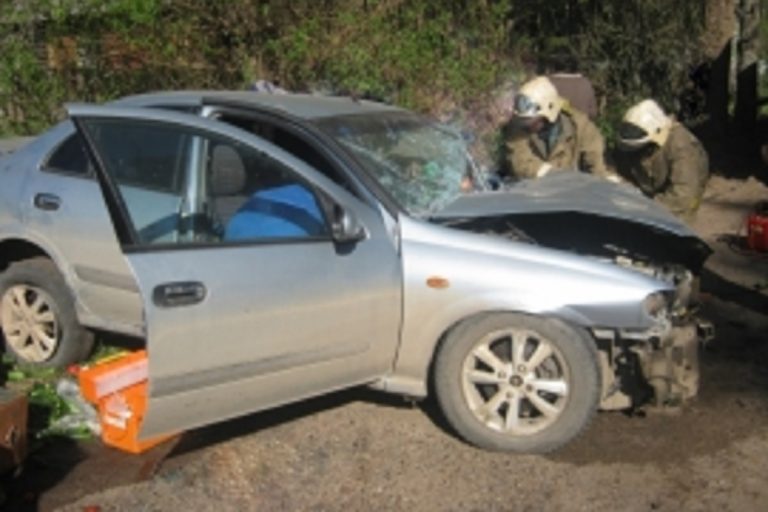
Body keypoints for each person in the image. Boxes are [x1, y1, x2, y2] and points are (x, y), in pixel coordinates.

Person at [615, 99, 709, 222]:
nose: (635, 152)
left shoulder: (683, 148)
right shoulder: (631, 145)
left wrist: (643, 208)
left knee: (676, 227)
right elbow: (620, 170)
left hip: (682, 198)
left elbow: (683, 195)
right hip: (650, 190)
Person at [505, 76, 611, 180]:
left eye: (533, 121)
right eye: (524, 120)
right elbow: (520, 163)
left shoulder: (582, 128)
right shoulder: (517, 128)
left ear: (549, 113)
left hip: (573, 193)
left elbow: (597, 167)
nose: (527, 125)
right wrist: (553, 175)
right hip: (531, 191)